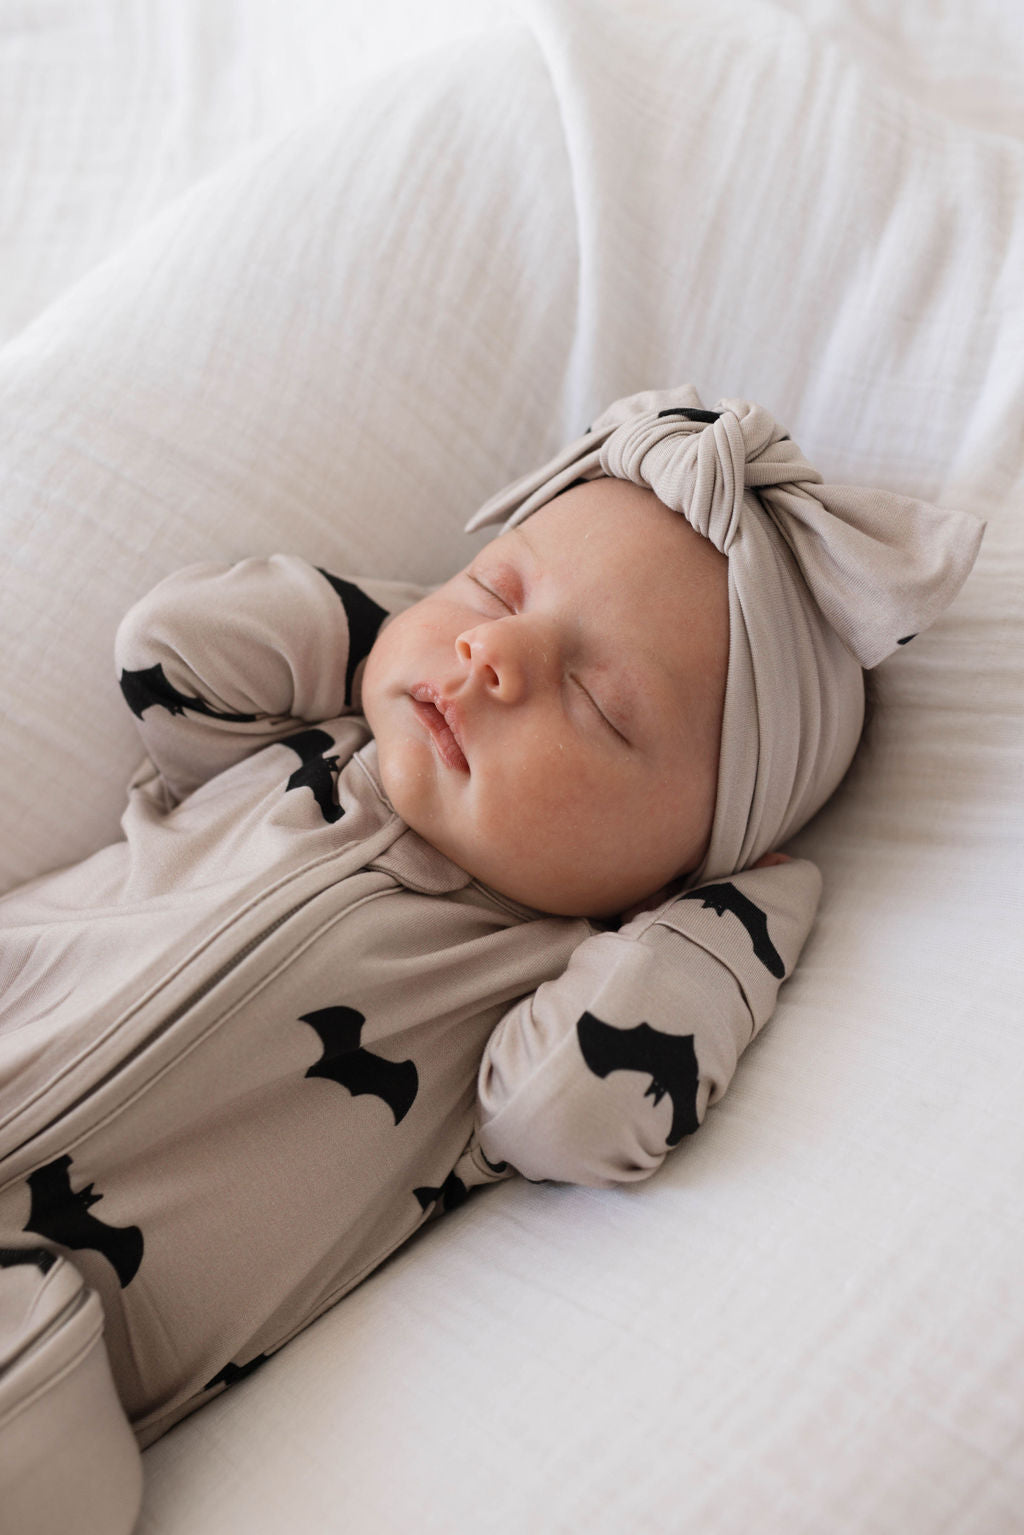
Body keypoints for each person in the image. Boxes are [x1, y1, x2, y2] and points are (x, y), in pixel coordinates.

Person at [0, 388, 984, 1534]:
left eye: (598, 703)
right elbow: (169, 650)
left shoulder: (529, 995)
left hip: (48, 1323)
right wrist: (408, 646)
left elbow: (576, 1109)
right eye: (496, 586)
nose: (498, 653)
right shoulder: (283, 762)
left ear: (683, 863)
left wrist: (731, 911)